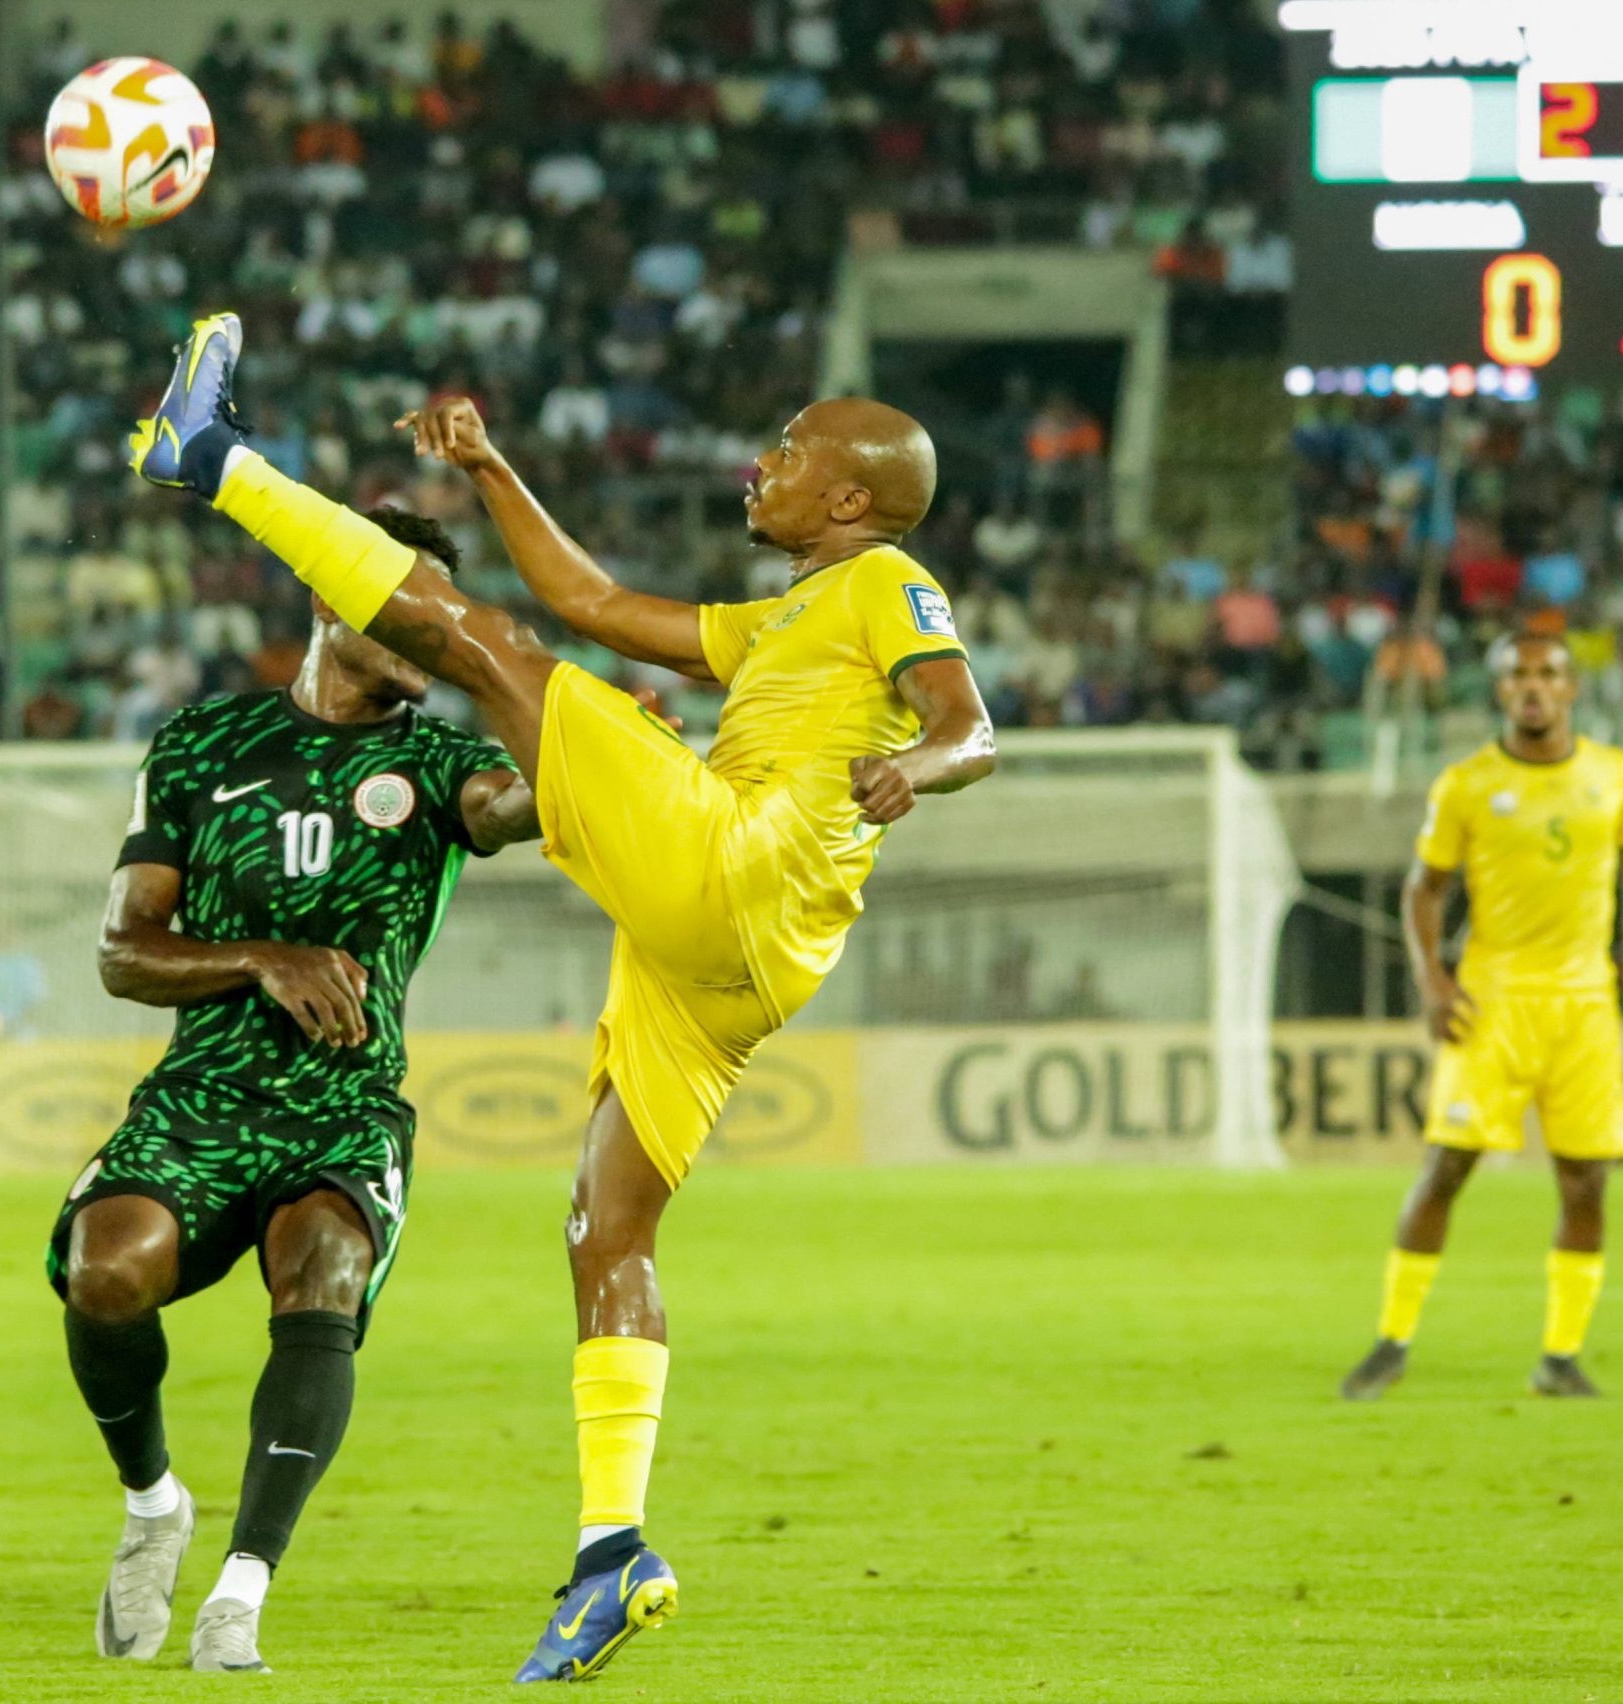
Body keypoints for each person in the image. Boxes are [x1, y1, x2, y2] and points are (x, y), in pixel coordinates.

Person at [131, 314, 997, 1682]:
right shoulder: (779, 622)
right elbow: (594, 603)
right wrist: (492, 472)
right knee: (607, 1226)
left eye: (787, 452)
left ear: (849, 499)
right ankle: (611, 1551)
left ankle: (216, 461)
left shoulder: (888, 580)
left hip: (741, 863)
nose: (759, 465)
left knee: (484, 648)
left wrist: (919, 770)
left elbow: (968, 723)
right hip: (732, 962)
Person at [48, 505, 538, 1675]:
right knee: (103, 1275)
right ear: (332, 595)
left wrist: (585, 747)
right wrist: (263, 959)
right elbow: (124, 952)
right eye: (407, 605)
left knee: (324, 1278)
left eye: (442, 616)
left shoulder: (439, 765)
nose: (428, 633)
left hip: (345, 1105)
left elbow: (517, 806)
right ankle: (154, 1504)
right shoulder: (202, 742)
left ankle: (240, 1593)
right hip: (202, 1098)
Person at [1340, 633, 1623, 1402]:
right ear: (1499, 691)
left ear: (1570, 689)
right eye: (1517, 674)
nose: (1532, 686)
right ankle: (1391, 1340)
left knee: (1585, 1183)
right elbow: (1424, 887)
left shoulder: (1613, 774)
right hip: (1493, 1002)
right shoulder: (1467, 784)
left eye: (1547, 673)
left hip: (1584, 1006)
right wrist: (1432, 979)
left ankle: (1560, 1356)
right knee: (1447, 1167)